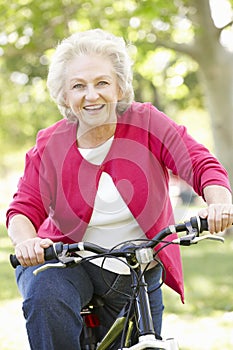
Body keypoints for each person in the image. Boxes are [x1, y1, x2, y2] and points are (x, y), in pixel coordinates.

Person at [6, 29, 233, 350]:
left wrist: (219, 203)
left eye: (102, 83)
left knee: (148, 342)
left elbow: (199, 164)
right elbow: (23, 210)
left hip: (139, 265)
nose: (91, 95)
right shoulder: (51, 143)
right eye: (78, 86)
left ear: (120, 87)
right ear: (64, 95)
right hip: (67, 262)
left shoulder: (148, 123)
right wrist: (27, 242)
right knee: (47, 296)